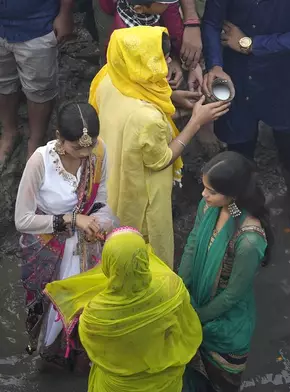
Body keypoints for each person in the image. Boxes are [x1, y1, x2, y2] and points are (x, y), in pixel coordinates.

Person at [89, 26, 230, 266]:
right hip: (137, 188)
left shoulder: (110, 74)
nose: (167, 62)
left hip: (107, 171)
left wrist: (171, 98)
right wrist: (196, 122)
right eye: (161, 58)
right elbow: (161, 159)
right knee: (146, 247)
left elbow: (132, 90)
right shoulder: (148, 119)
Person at [200, 0, 290, 225]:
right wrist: (215, 65)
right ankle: (244, 211)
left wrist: (251, 44)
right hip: (238, 73)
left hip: (286, 76)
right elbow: (211, 22)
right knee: (239, 150)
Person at [15, 102, 119, 369]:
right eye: (77, 147)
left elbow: (102, 198)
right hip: (46, 245)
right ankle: (48, 354)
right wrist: (73, 220)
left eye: (90, 145)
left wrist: (100, 222)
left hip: (86, 243)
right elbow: (22, 220)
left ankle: (77, 350)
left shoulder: (99, 151)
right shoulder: (40, 161)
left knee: (87, 306)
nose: (85, 154)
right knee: (46, 308)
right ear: (60, 137)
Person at [44, 227, 202, 391]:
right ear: (145, 259)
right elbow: (187, 329)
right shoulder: (172, 288)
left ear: (107, 263)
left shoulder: (95, 313)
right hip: (164, 383)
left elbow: (92, 347)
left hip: (117, 386)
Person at [179, 151, 271, 392]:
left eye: (212, 191)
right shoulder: (208, 207)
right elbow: (192, 243)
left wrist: (196, 317)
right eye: (204, 187)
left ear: (233, 195)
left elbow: (232, 294)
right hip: (194, 303)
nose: (203, 195)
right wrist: (180, 288)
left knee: (223, 385)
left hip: (225, 325)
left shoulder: (248, 239)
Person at [0, 0, 74, 166]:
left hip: (38, 24)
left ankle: (35, 142)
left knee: (40, 89)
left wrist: (65, 14)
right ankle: (9, 131)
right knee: (3, 82)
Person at [97, 0, 203, 90]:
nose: (169, 4)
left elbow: (173, 23)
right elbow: (134, 77)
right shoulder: (128, 40)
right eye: (164, 3)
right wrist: (162, 90)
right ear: (139, 9)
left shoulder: (152, 7)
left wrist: (187, 61)